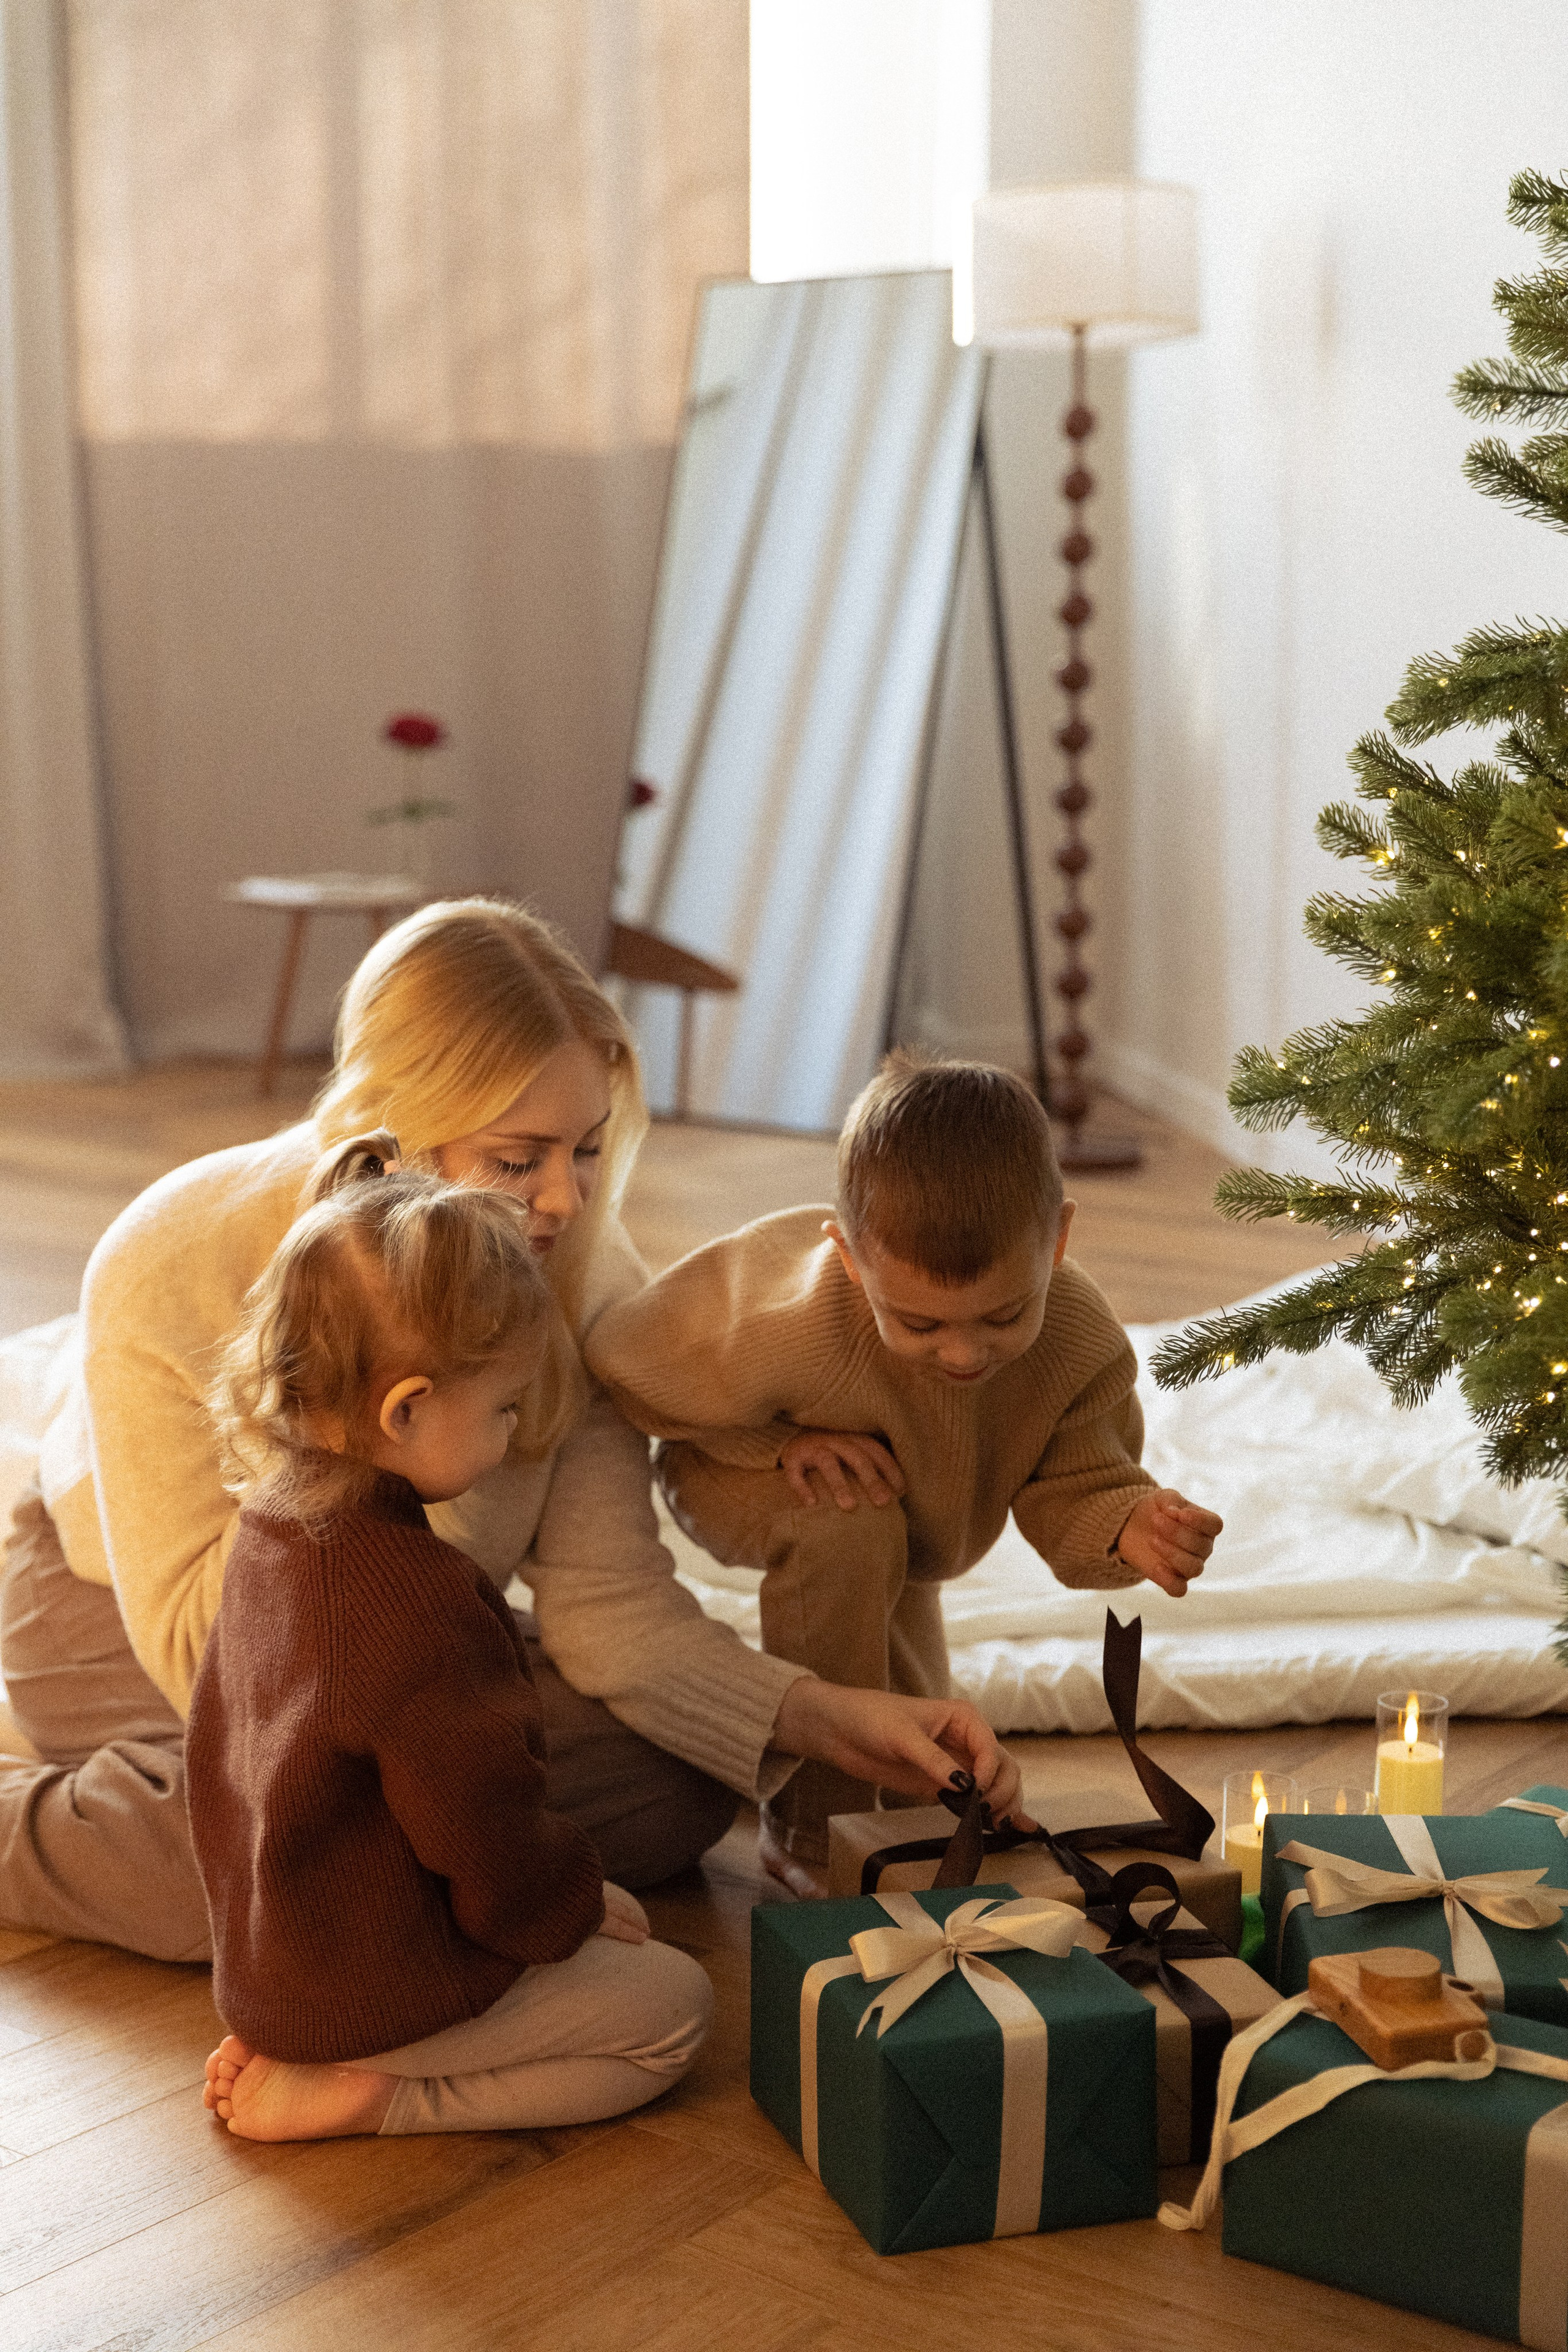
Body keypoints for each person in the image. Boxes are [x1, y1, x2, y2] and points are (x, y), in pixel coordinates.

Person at [0, 902, 1023, 1957]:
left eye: (587, 1150)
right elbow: (208, 1655)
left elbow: (610, 1608)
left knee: (670, 1792)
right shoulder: (172, 1254)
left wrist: (832, 1717)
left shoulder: (577, 1275)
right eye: (517, 1159)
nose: (565, 1201)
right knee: (300, 1870)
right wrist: (423, 1457)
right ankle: (40, 1830)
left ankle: (335, 1865)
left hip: (409, 1638)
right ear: (396, 1133)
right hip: (124, 1623)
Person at [587, 1054, 1224, 1875]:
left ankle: (917, 1816)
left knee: (898, 1616)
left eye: (1004, 1316)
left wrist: (1126, 1524)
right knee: (850, 1529)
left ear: (1058, 1241)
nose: (963, 1353)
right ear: (850, 1259)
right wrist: (778, 1446)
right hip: (731, 1463)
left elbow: (1076, 1484)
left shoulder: (1080, 1344)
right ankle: (817, 1835)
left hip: (907, 1509)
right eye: (920, 1325)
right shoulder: (787, 1305)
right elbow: (625, 1360)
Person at [193, 1136, 712, 2141]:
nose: (514, 1432)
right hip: (387, 1988)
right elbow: (484, 1830)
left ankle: (312, 2047)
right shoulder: (418, 1600)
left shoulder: (268, 1527)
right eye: (505, 1407)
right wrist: (569, 1909)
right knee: (674, 2012)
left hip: (276, 1965)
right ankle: (378, 2094)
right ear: (407, 1410)